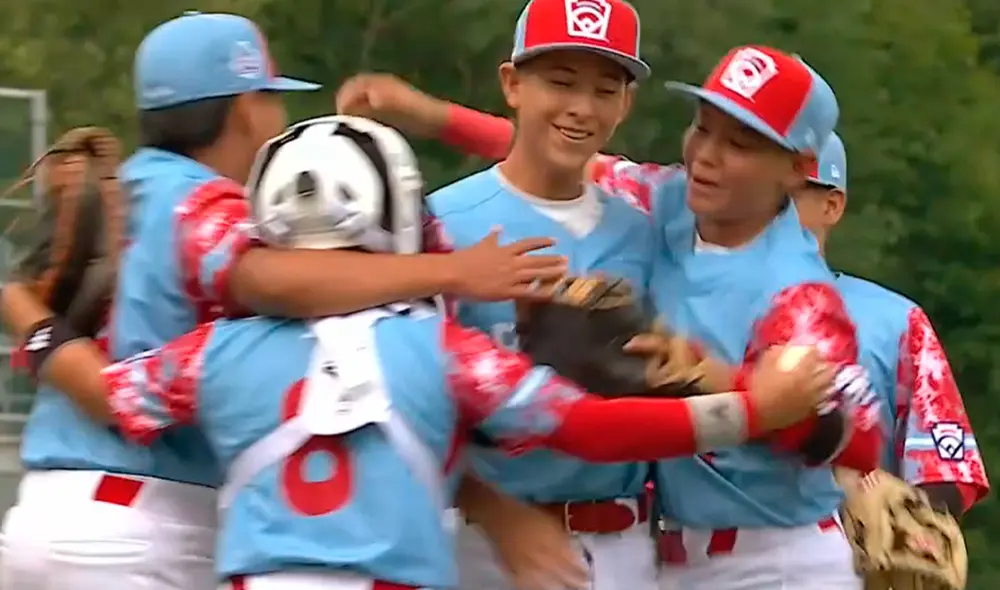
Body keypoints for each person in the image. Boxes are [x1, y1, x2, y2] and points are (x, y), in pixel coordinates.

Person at [18, 114, 837, 590]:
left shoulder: (216, 351)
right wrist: (747, 412)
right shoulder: (445, 350)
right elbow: (590, 427)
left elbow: (107, 391)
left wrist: (25, 313)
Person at [0, 12, 564, 590]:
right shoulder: (202, 202)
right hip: (144, 526)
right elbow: (271, 279)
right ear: (248, 109)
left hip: (46, 513)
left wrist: (24, 314)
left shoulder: (124, 186)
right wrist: (454, 272)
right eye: (272, 98)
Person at [342, 47, 884, 589]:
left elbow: (859, 440)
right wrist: (430, 116)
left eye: (739, 144)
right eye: (703, 128)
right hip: (670, 556)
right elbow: (563, 149)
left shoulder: (799, 294)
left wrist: (722, 381)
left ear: (799, 168)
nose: (706, 155)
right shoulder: (673, 200)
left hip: (773, 560)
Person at [422, 1, 670, 589]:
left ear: (626, 104)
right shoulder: (441, 222)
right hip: (486, 543)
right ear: (512, 84)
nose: (581, 107)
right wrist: (491, 510)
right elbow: (405, 402)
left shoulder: (644, 233)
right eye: (560, 82)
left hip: (624, 542)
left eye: (605, 90)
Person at [792, 132, 990, 514]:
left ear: (832, 205)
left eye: (789, 194)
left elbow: (944, 476)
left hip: (845, 547)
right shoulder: (694, 309)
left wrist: (905, 525)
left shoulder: (896, 322)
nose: (766, 208)